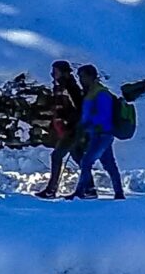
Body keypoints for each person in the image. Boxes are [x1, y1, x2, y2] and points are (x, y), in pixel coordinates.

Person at [71, 64, 126, 200]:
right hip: (100, 133)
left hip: (101, 133)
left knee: (87, 161)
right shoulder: (94, 92)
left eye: (82, 77)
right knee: (109, 164)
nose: (81, 80)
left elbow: (104, 115)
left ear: (90, 76)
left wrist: (87, 123)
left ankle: (80, 191)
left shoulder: (101, 93)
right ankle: (119, 193)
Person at [35, 61, 84, 199]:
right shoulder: (61, 86)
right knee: (78, 157)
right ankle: (88, 186)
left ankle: (51, 189)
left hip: (70, 129)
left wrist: (69, 122)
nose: (52, 75)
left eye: (55, 71)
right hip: (67, 129)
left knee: (57, 156)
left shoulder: (69, 87)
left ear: (63, 72)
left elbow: (77, 108)